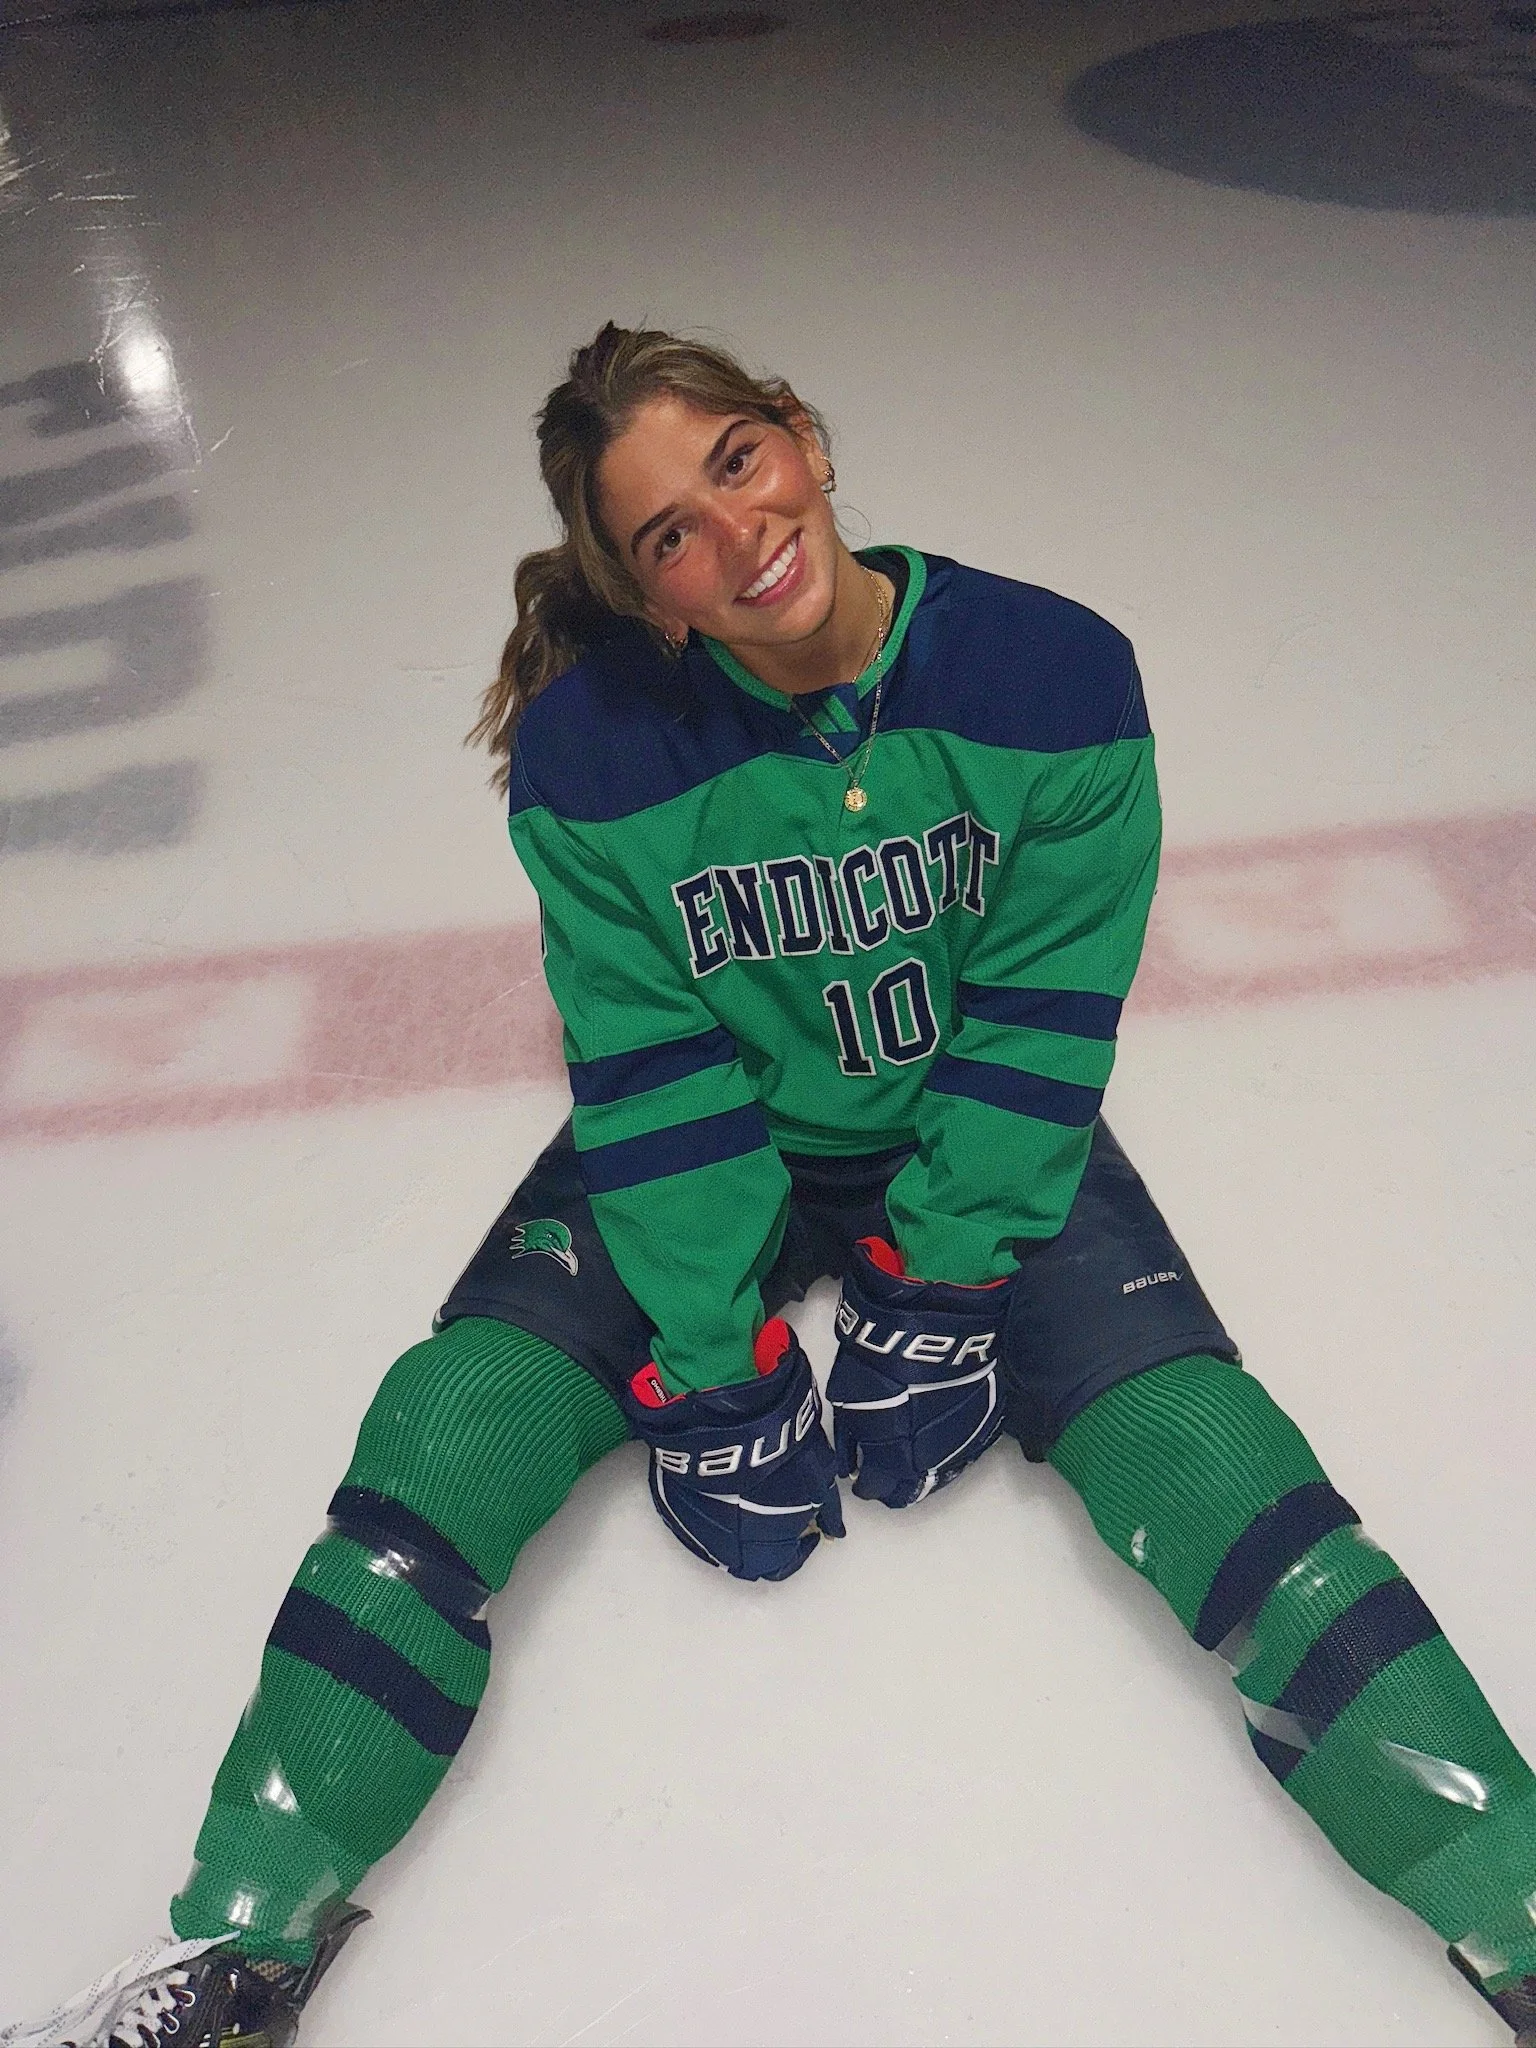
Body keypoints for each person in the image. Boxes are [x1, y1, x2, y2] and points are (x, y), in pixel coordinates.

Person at [7, 322, 1536, 2048]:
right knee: (447, 1428)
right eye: (669, 532)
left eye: (738, 465)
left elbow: (1040, 1015)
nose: (734, 538)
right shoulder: (597, 757)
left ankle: (1526, 1913)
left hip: (971, 1117)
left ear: (800, 434)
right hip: (717, 1126)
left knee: (1218, 1471)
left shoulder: (1057, 675)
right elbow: (650, 1067)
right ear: (648, 595)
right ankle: (237, 1956)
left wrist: (950, 1282)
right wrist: (716, 1360)